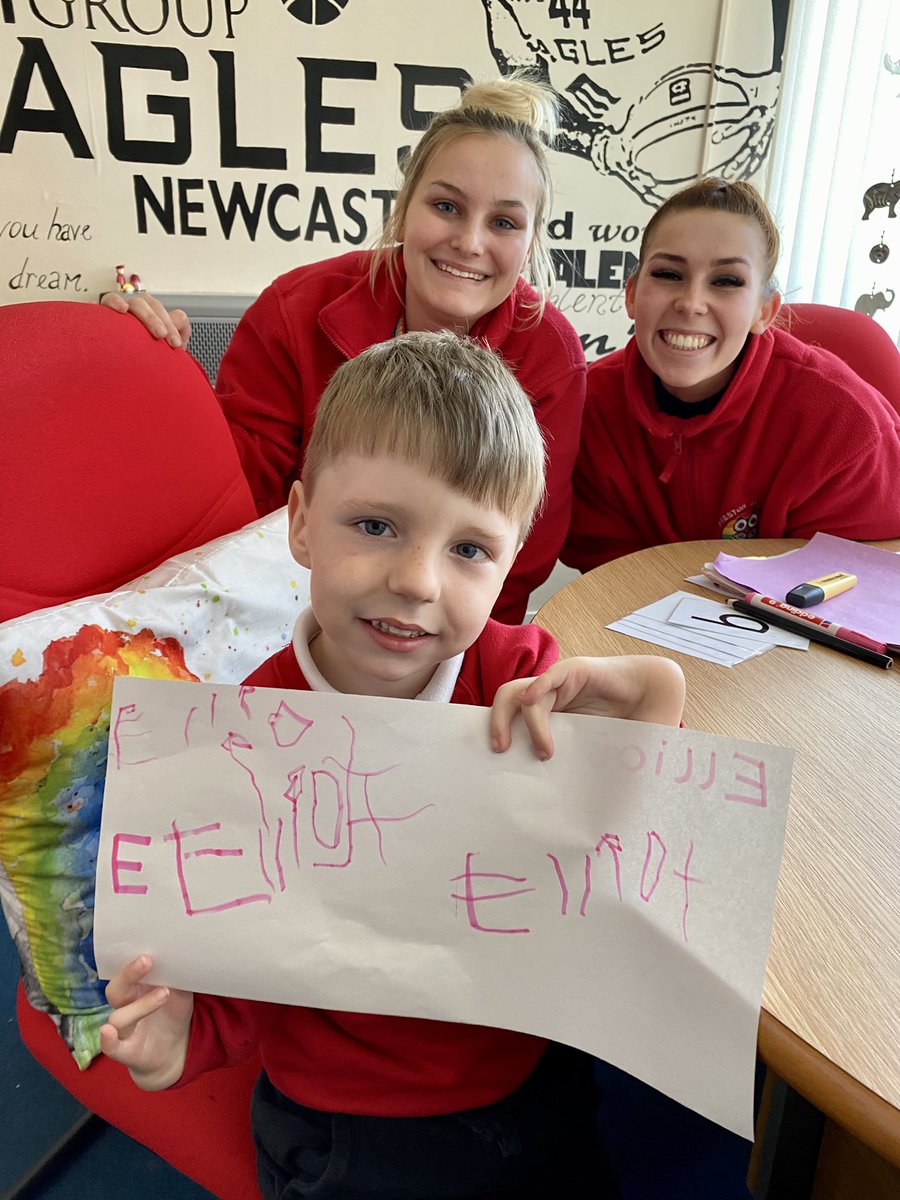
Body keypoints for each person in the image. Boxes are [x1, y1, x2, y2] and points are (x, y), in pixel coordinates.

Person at [99, 332, 684, 1200]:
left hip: (532, 1080)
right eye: (375, 527)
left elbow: (628, 841)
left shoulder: (522, 677)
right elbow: (235, 937)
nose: (415, 581)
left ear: (515, 558)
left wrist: (652, 696)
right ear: (301, 524)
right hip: (348, 1126)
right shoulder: (245, 734)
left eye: (470, 551)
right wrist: (183, 1032)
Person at [102, 73, 587, 625]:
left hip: (447, 633)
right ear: (404, 207)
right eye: (447, 207)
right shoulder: (294, 309)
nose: (470, 242)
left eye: (503, 222)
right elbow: (239, 503)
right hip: (281, 614)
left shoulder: (552, 355)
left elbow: (523, 552)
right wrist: (149, 373)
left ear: (532, 240)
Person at [562, 177, 900, 571]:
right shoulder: (591, 407)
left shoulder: (843, 421)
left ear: (765, 313)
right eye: (669, 274)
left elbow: (868, 577)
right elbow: (607, 573)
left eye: (726, 281)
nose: (691, 303)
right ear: (632, 294)